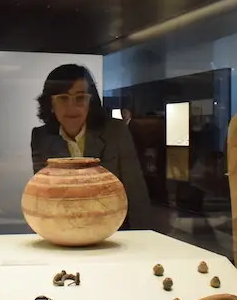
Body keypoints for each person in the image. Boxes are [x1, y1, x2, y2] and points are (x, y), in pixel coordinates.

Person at [31, 64, 151, 229]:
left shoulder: (115, 132)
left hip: (113, 231)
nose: (72, 107)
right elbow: (45, 198)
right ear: (50, 104)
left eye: (80, 98)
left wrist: (141, 243)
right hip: (65, 231)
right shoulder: (41, 137)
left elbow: (136, 195)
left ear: (90, 102)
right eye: (63, 98)